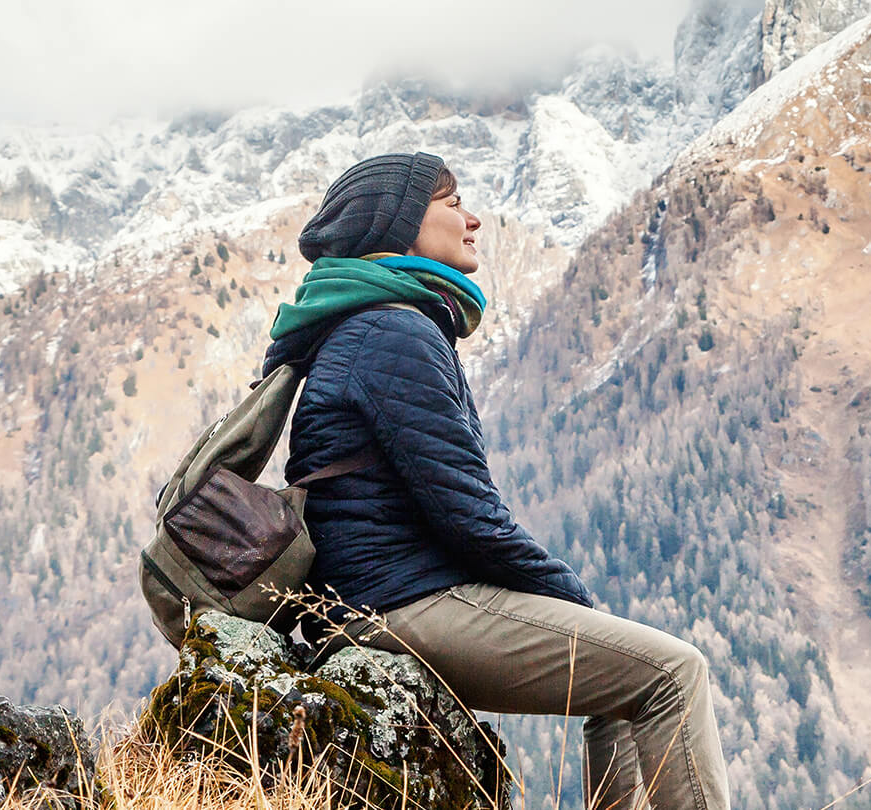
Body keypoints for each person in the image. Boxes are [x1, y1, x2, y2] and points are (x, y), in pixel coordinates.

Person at [261, 152, 730, 810]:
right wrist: (573, 600)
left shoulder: (372, 325)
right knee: (674, 674)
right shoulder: (392, 332)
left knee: (626, 695)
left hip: (379, 599)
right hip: (402, 604)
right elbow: (465, 512)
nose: (472, 219)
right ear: (397, 222)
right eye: (452, 205)